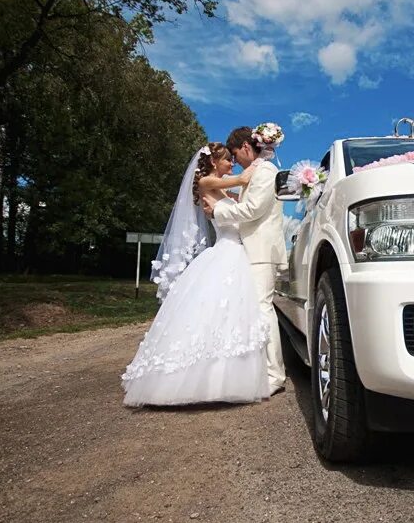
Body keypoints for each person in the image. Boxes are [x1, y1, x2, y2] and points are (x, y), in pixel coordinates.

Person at [121, 142, 269, 406]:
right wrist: (263, 157)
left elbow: (241, 199)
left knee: (229, 316)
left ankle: (223, 379)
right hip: (227, 250)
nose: (232, 163)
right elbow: (244, 179)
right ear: (213, 162)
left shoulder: (220, 187)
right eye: (228, 159)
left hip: (235, 251)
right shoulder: (206, 182)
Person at [204, 126, 288, 394]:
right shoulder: (254, 172)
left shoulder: (265, 172)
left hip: (261, 251)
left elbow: (253, 210)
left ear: (245, 147)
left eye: (235, 155)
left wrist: (217, 211)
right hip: (250, 251)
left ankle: (275, 376)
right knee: (254, 311)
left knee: (263, 310)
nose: (235, 161)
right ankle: (258, 368)